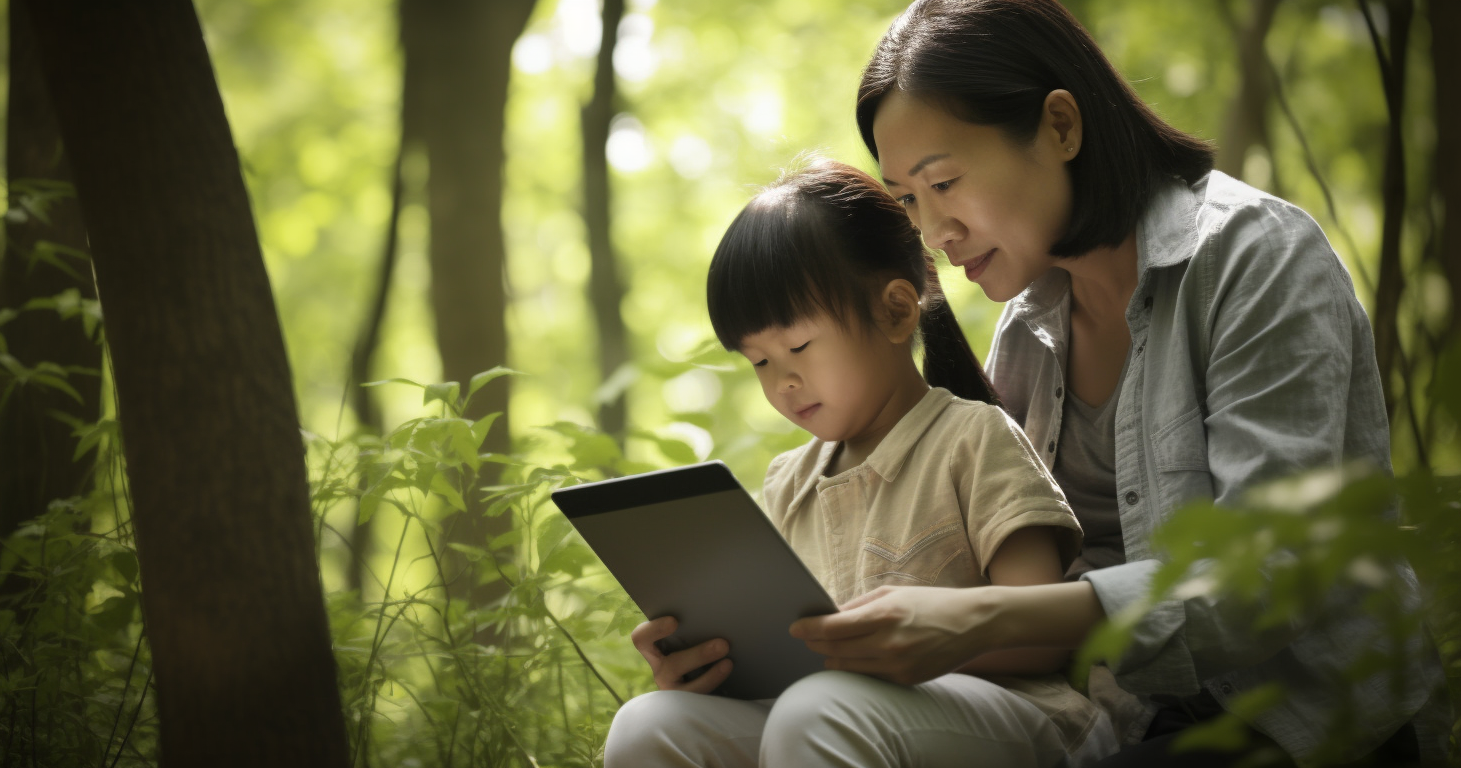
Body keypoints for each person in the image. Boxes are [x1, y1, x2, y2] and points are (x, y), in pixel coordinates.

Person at [785, 0, 1449, 765]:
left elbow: (1270, 572)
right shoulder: (1029, 333)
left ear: (1061, 126)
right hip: (1110, 723)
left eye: (946, 182)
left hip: (1297, 728)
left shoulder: (1255, 259)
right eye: (907, 200)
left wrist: (990, 620)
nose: (935, 233)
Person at [602, 158, 1118, 767]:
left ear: (896, 312)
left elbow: (1043, 634)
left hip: (1018, 718)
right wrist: (712, 659)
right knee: (649, 724)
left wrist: (916, 645)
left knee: (821, 708)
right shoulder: (788, 483)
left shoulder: (972, 439)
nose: (784, 382)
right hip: (832, 717)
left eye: (798, 346)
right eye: (760, 362)